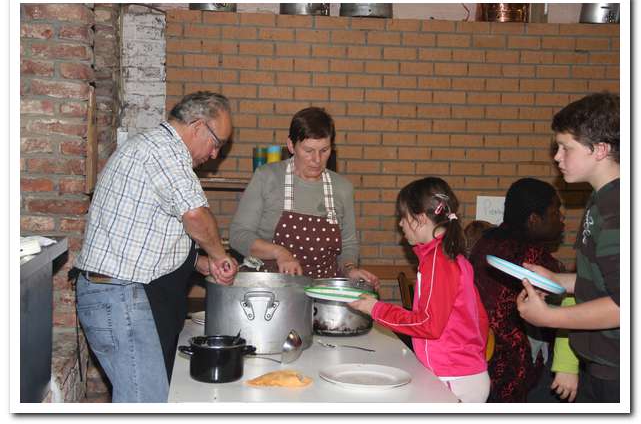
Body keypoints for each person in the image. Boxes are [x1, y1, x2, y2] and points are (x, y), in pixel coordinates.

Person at [73, 91, 239, 402]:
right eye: (217, 143)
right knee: (145, 403)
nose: (215, 154)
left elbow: (150, 235)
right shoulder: (164, 151)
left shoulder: (153, 147)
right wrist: (219, 254)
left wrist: (202, 264)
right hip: (118, 297)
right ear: (198, 126)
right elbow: (195, 216)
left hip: (115, 294)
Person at [516, 92, 620, 403]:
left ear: (600, 149)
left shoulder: (618, 209)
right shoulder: (599, 200)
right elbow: (602, 281)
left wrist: (549, 317)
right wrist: (556, 280)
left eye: (566, 148)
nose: (557, 157)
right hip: (599, 361)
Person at [349, 177, 490, 402]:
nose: (400, 224)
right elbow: (480, 318)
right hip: (462, 373)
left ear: (420, 218)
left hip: (454, 376)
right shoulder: (447, 254)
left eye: (402, 217)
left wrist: (376, 309)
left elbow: (429, 325)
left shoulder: (439, 261)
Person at [229, 106, 379, 289]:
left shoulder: (342, 188)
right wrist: (279, 253)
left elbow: (347, 244)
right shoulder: (267, 177)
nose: (317, 159)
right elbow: (238, 236)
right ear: (291, 146)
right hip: (270, 289)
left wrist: (350, 269)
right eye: (308, 150)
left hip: (322, 292)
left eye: (324, 150)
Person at [469, 178, 579, 402]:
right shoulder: (533, 257)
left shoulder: (485, 243)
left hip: (476, 353)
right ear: (534, 220)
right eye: (555, 211)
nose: (561, 217)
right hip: (513, 366)